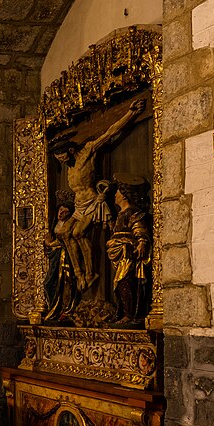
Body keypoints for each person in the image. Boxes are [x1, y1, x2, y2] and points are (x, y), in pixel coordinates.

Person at [50, 97, 145, 291]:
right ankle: (79, 274)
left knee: (78, 232)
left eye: (62, 156)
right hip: (78, 206)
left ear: (69, 150)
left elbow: (111, 132)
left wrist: (131, 113)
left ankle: (91, 272)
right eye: (58, 159)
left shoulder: (88, 151)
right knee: (64, 233)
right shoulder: (68, 166)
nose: (61, 161)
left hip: (92, 202)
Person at [106, 176, 152, 326]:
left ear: (124, 195)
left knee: (125, 282)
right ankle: (123, 312)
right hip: (119, 254)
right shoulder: (120, 214)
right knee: (119, 284)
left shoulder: (132, 212)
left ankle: (130, 314)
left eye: (117, 192)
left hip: (128, 254)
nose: (115, 195)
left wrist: (141, 242)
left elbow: (139, 229)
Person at [42, 192, 78, 322]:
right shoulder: (55, 225)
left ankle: (66, 309)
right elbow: (49, 245)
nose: (61, 213)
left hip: (66, 258)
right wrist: (48, 245)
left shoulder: (70, 225)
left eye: (65, 211)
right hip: (55, 260)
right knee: (49, 283)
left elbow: (65, 240)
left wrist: (51, 244)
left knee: (66, 283)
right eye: (60, 210)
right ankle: (53, 308)